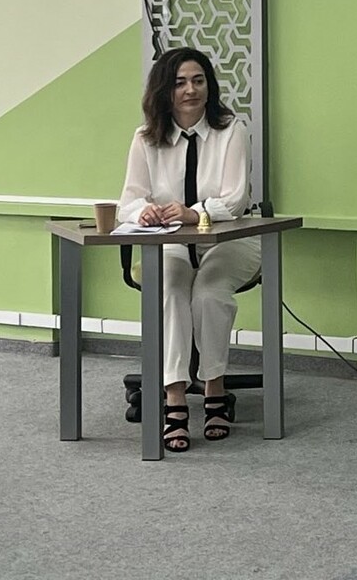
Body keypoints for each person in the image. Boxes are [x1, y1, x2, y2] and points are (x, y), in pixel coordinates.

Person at [117, 47, 260, 452]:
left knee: (209, 293)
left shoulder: (231, 130)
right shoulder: (145, 138)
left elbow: (235, 200)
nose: (190, 90)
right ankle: (175, 397)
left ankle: (215, 388)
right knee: (171, 289)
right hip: (171, 240)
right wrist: (145, 212)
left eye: (198, 81)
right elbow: (128, 201)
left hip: (229, 239)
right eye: (180, 82)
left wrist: (192, 212)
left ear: (209, 86)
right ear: (165, 90)